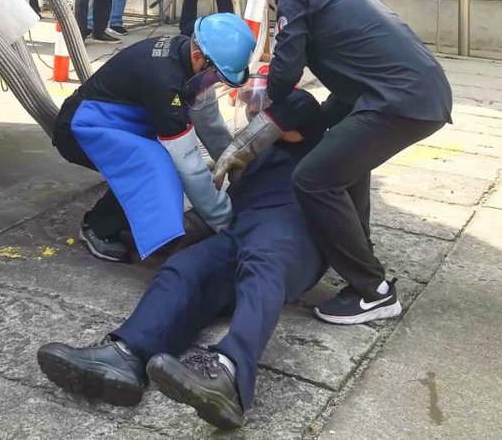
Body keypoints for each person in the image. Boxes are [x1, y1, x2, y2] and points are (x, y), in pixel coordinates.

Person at [37, 89, 328, 431]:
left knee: (262, 265)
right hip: (239, 233)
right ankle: (126, 354)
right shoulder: (256, 160)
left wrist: (364, 281)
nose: (254, 112)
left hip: (291, 233)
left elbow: (302, 112)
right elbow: (217, 212)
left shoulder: (316, 142)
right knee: (184, 267)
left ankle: (229, 374)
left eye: (263, 110)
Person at [213, 0, 453, 326]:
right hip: (420, 96)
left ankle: (373, 291)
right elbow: (348, 88)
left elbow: (286, 70)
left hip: (398, 102)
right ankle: (361, 257)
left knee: (313, 179)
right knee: (344, 161)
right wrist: (314, 126)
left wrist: (271, 108)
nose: (277, 7)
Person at [51, 13, 256, 263]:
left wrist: (237, 163)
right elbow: (189, 166)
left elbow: (210, 123)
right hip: (83, 126)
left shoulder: (187, 56)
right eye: (216, 77)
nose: (213, 83)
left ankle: (129, 217)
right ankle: (96, 227)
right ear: (198, 58)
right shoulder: (165, 81)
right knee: (156, 164)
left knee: (160, 158)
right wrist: (224, 221)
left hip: (117, 122)